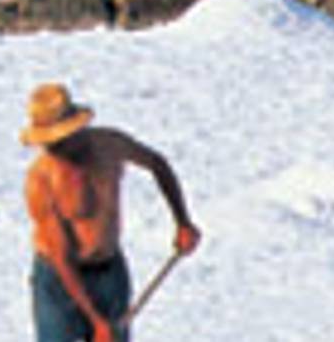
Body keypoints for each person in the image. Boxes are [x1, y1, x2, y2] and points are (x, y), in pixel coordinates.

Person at [22, 82, 201, 342]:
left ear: (75, 130)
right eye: (47, 143)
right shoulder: (41, 180)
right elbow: (61, 257)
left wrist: (182, 222)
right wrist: (97, 322)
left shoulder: (110, 145)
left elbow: (157, 164)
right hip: (60, 282)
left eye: (58, 141)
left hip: (109, 272)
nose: (52, 149)